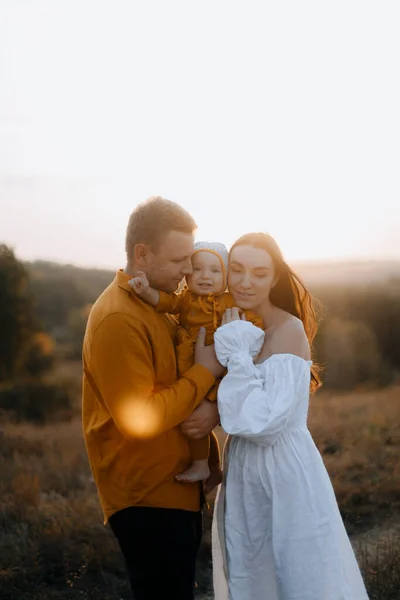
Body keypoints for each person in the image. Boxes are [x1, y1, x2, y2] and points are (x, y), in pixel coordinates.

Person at [211, 232, 369, 600]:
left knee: (298, 572)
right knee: (253, 570)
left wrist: (235, 352)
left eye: (259, 273)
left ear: (275, 278)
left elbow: (263, 424)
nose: (245, 282)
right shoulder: (232, 322)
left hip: (281, 466)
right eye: (236, 270)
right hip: (244, 468)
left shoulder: (288, 329)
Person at [82, 196, 224, 600]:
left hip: (172, 488)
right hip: (146, 497)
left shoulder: (158, 306)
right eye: (180, 260)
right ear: (142, 254)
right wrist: (206, 371)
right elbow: (138, 419)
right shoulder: (118, 318)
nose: (188, 269)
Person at [129, 240, 263, 484]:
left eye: (214, 270)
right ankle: (203, 464)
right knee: (192, 416)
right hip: (190, 366)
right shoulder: (185, 299)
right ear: (188, 274)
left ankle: (225, 462)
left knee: (218, 408)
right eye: (198, 269)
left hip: (222, 371)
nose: (205, 276)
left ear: (225, 277)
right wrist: (146, 291)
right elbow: (165, 303)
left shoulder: (229, 302)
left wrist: (248, 331)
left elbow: (253, 321)